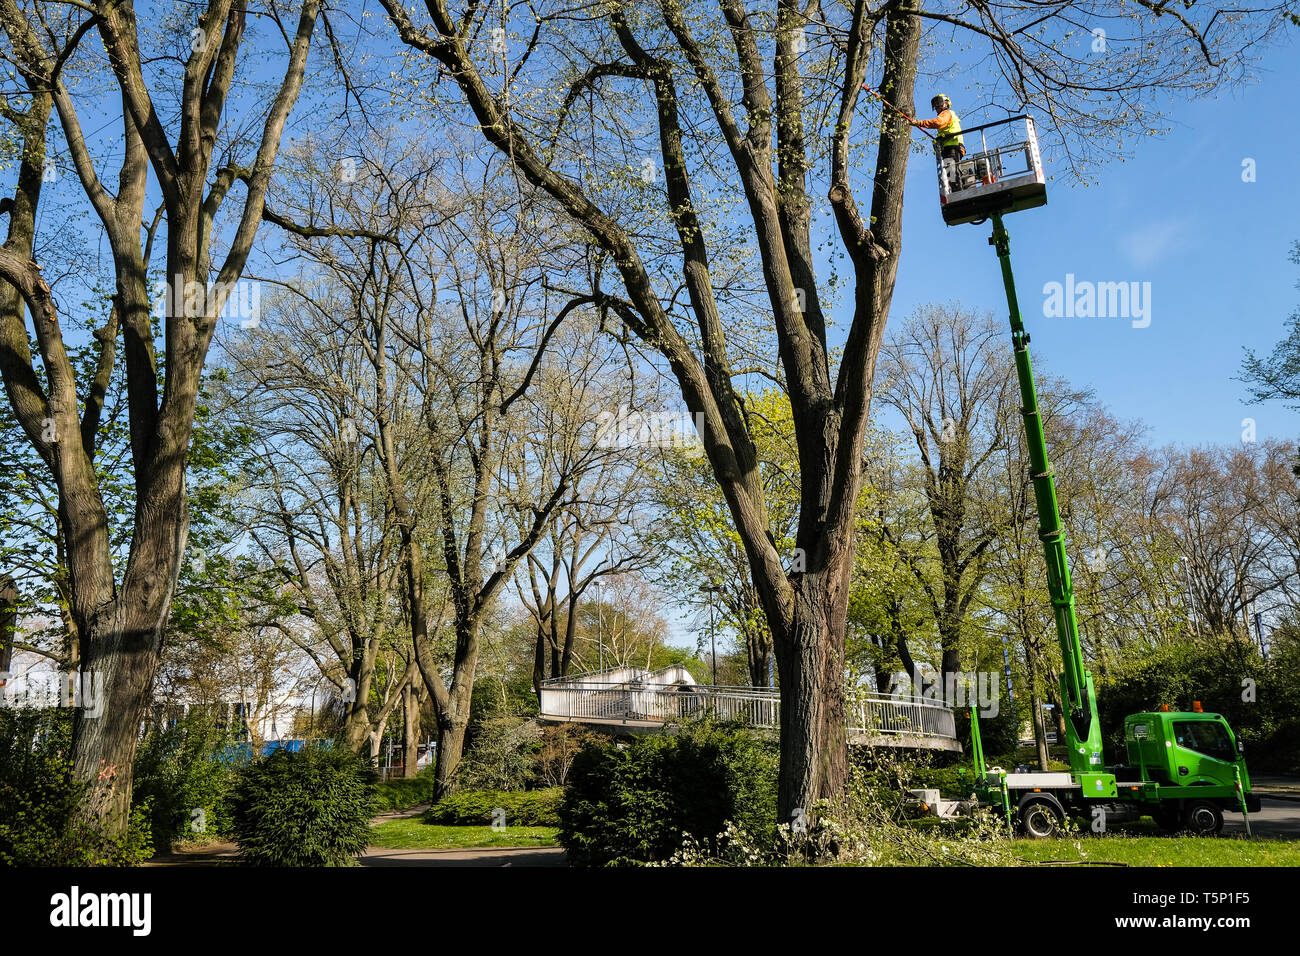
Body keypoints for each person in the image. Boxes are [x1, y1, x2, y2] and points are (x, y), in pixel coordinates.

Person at [913, 93, 964, 162]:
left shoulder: (946, 113)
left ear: (946, 103)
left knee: (950, 169)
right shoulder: (951, 114)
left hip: (952, 146)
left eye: (939, 103)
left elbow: (938, 122)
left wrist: (919, 123)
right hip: (953, 146)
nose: (937, 106)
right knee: (952, 170)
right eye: (935, 104)